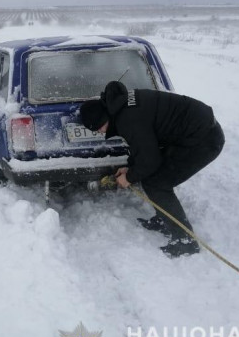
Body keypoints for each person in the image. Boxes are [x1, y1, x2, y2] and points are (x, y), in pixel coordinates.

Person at [80, 81, 225, 258]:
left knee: (158, 183)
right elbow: (144, 145)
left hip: (204, 140)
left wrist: (129, 178)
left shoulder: (128, 120)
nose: (101, 133)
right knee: (150, 176)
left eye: (98, 129)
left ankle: (185, 242)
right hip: (190, 134)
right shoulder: (121, 106)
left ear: (102, 120)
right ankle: (165, 220)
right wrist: (130, 167)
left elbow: (149, 161)